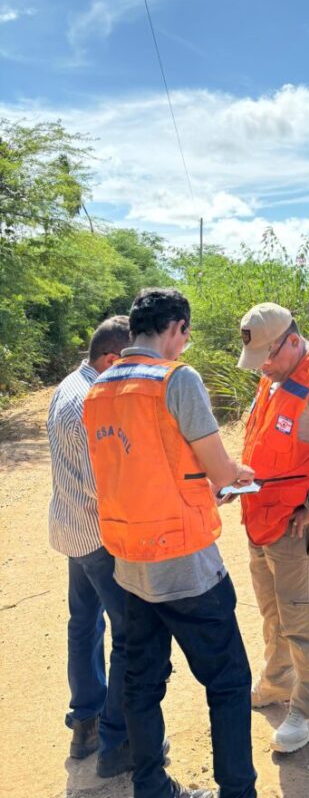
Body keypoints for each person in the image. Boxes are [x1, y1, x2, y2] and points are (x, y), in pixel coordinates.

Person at [83, 288, 257, 798]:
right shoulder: (176, 380)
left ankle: (151, 787)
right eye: (185, 335)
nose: (184, 345)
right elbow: (219, 471)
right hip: (185, 561)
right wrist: (233, 476)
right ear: (176, 327)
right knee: (227, 682)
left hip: (129, 563)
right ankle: (237, 790)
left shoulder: (98, 388)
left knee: (140, 683)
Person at [237, 303, 309, 753]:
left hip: (300, 519)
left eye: (269, 355)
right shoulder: (276, 374)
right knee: (272, 608)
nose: (263, 365)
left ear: (293, 342)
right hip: (262, 514)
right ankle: (278, 681)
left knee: (302, 615)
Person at [47, 316, 133, 777]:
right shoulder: (95, 401)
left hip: (70, 530)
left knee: (83, 625)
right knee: (128, 632)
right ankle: (118, 735)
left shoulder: (68, 385)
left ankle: (85, 723)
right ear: (111, 360)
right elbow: (108, 485)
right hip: (99, 538)